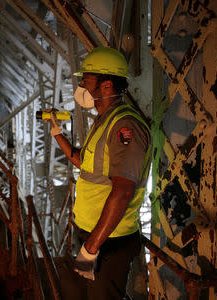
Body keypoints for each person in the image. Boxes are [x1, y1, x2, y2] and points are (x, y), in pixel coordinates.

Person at [47, 47, 151, 299]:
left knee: (103, 296)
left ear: (106, 86)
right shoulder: (104, 121)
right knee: (90, 292)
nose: (81, 85)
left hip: (109, 242)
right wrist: (56, 132)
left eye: (86, 80)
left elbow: (123, 190)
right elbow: (81, 161)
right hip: (92, 235)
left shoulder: (124, 126)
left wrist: (92, 247)